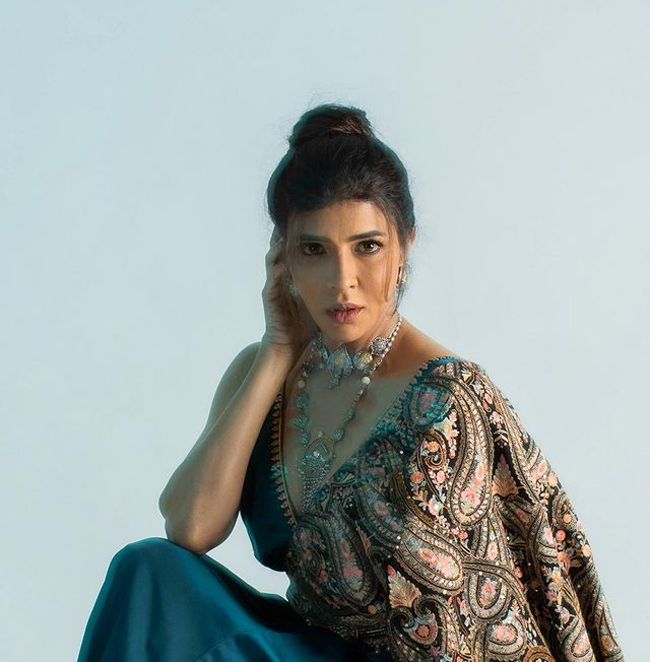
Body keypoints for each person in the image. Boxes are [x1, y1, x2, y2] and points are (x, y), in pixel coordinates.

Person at [77, 103, 624, 661]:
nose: (343, 282)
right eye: (314, 250)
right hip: (304, 646)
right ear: (282, 258)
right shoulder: (262, 373)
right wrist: (277, 350)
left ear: (405, 246)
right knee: (147, 571)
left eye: (367, 247)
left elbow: (464, 627)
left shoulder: (446, 401)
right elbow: (189, 528)